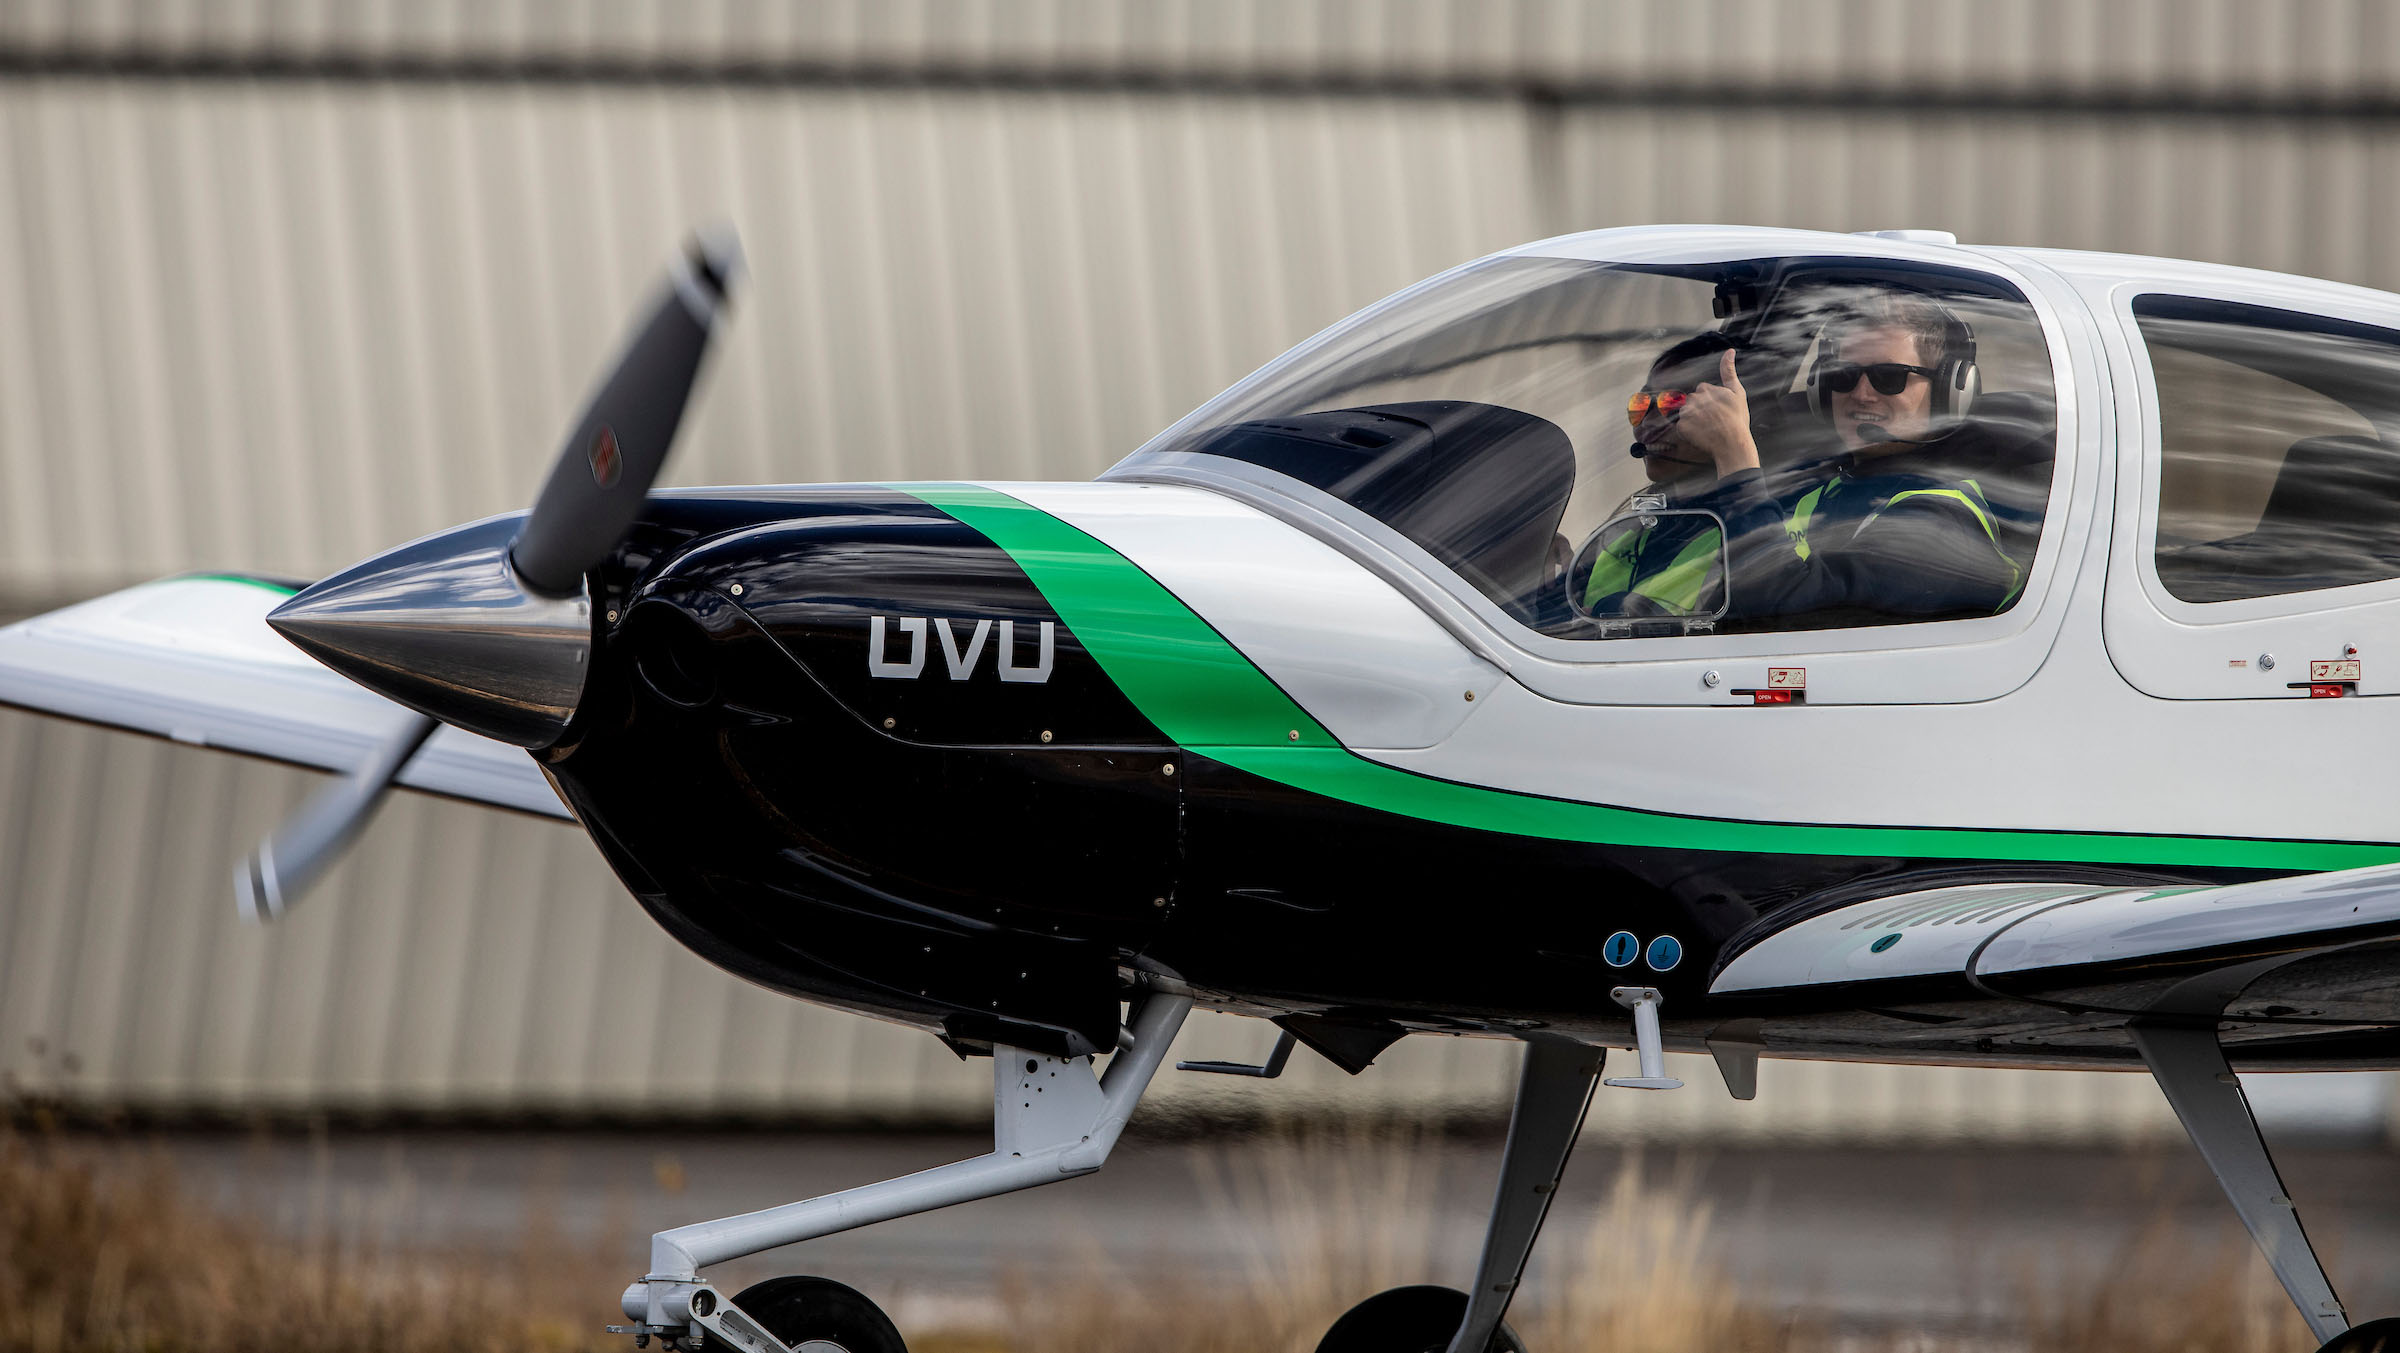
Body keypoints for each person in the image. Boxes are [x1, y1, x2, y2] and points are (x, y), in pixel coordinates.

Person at [1718, 291, 2025, 628]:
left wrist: (1736, 460)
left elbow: (1785, 612)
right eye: (1844, 375)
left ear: (1948, 391)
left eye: (1888, 377)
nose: (1861, 394)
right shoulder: (1817, 490)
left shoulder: (1939, 521)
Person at [1576, 332, 1783, 620]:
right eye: (1640, 405)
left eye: (1674, 404)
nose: (1647, 423)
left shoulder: (1771, 528)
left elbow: (1770, 607)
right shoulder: (1632, 524)